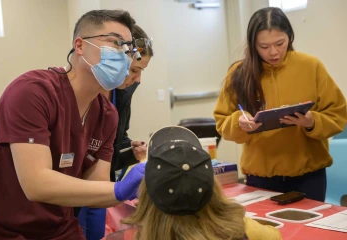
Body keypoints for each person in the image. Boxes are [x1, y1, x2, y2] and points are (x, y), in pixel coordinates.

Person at [0, 10, 146, 239]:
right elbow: (36, 184)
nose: (124, 54)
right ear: (80, 46)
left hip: (58, 228)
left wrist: (144, 186)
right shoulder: (32, 92)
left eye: (128, 48)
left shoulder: (107, 115)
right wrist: (119, 189)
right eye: (115, 43)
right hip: (1, 228)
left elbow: (96, 188)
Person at [214, 7, 347, 201]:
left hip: (309, 177)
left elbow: (338, 114)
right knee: (266, 230)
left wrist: (312, 121)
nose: (274, 52)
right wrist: (238, 123)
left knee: (309, 231)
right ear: (253, 45)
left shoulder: (311, 66)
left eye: (280, 43)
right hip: (260, 177)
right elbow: (222, 122)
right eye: (264, 46)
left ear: (290, 37)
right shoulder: (239, 73)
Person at [113, 126, 282, 240]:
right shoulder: (243, 230)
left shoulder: (135, 235)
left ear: (146, 193)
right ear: (213, 186)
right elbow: (275, 235)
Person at [76, 25, 153, 240]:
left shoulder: (121, 96)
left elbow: (110, 144)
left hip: (98, 184)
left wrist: (131, 153)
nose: (137, 79)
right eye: (134, 70)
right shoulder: (73, 95)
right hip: (72, 187)